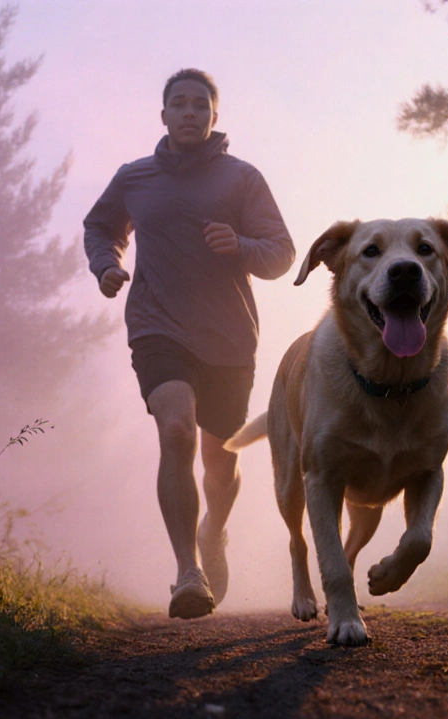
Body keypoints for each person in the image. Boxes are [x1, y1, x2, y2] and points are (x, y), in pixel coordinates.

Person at [83, 69, 295, 619]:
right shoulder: (135, 177)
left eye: (200, 105)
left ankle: (213, 532)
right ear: (163, 115)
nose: (189, 113)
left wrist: (241, 246)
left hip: (228, 339)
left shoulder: (242, 179)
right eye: (179, 104)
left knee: (219, 463)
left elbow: (282, 253)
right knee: (175, 431)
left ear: (214, 118)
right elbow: (101, 226)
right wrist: (107, 264)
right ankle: (186, 573)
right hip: (157, 326)